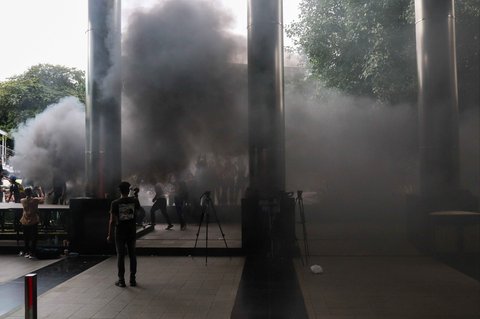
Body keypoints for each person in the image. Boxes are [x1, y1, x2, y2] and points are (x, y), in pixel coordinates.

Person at [107, 181, 140, 288]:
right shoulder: (134, 201)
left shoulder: (115, 203)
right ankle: (133, 279)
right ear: (128, 189)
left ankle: (121, 280)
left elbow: (112, 221)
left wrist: (110, 235)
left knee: (120, 256)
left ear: (119, 190)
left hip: (120, 232)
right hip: (131, 231)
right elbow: (138, 213)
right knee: (132, 255)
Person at [19, 187, 45, 258]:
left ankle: (26, 251)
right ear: (31, 193)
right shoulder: (35, 200)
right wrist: (40, 190)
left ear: (25, 193)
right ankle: (32, 252)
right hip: (33, 221)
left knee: (26, 237)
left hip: (24, 221)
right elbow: (43, 199)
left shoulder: (22, 200)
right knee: (34, 238)